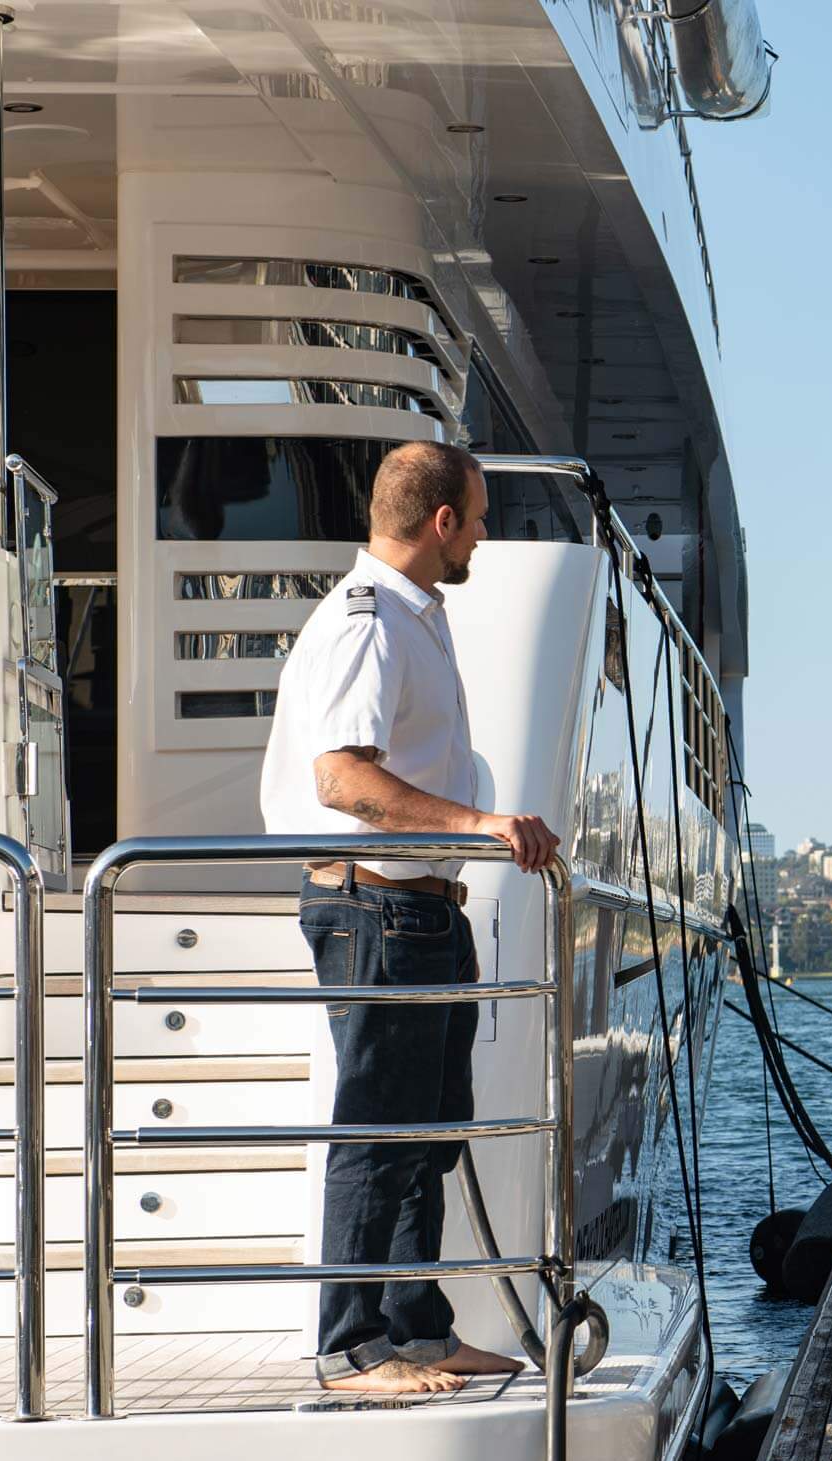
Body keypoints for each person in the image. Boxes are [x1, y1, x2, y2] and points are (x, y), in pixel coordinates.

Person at [259, 440, 561, 1395]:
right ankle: (351, 1347)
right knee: (380, 1131)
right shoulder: (366, 623)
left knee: (428, 1132)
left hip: (421, 908)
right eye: (475, 517)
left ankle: (418, 1330)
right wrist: (480, 821)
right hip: (376, 906)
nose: (481, 534)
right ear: (441, 523)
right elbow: (342, 779)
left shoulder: (409, 615)